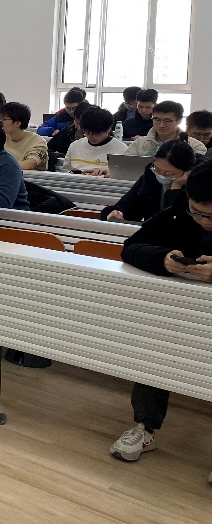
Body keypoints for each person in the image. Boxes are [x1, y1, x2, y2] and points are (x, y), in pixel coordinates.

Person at [108, 159, 212, 479]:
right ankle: (145, 427)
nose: (204, 221)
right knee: (154, 350)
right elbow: (131, 247)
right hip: (177, 313)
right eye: (198, 212)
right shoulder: (178, 214)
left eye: (211, 216)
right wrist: (162, 259)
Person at [101, 141, 195, 222]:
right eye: (157, 169)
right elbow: (130, 205)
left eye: (170, 174)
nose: (162, 175)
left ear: (187, 172)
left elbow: (173, 223)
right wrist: (118, 214)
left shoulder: (196, 187)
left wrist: (175, 189)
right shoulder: (151, 176)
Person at [126, 101, 207, 157]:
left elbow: (198, 173)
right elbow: (126, 167)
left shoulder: (195, 146)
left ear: (179, 121)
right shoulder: (139, 144)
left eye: (167, 121)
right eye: (157, 119)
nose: (161, 125)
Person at [63, 107, 128, 173]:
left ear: (108, 129)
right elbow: (65, 172)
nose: (92, 137)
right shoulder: (75, 146)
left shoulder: (122, 150)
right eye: (87, 133)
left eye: (97, 134)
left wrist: (109, 173)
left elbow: (125, 175)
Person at [0, 102, 49, 171]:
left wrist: (0, 166)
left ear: (17, 123)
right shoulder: (1, 139)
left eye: (4, 119)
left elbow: (29, 164)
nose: (0, 122)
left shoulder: (38, 142)